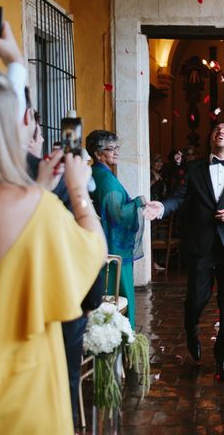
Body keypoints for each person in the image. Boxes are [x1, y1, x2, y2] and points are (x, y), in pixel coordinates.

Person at [0, 69, 107, 434]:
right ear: (6, 129)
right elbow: (92, 255)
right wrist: (78, 192)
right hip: (24, 408)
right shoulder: (36, 210)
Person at [144, 122, 224, 381]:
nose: (222, 132)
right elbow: (179, 197)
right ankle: (190, 329)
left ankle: (221, 355)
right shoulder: (193, 169)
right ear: (211, 137)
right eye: (217, 129)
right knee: (197, 299)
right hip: (200, 244)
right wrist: (161, 207)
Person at [87, 130, 146, 328]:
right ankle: (124, 343)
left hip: (107, 246)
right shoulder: (105, 179)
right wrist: (138, 202)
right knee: (120, 296)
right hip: (114, 251)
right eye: (111, 149)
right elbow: (117, 214)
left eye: (116, 147)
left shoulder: (99, 174)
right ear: (97, 153)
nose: (117, 152)